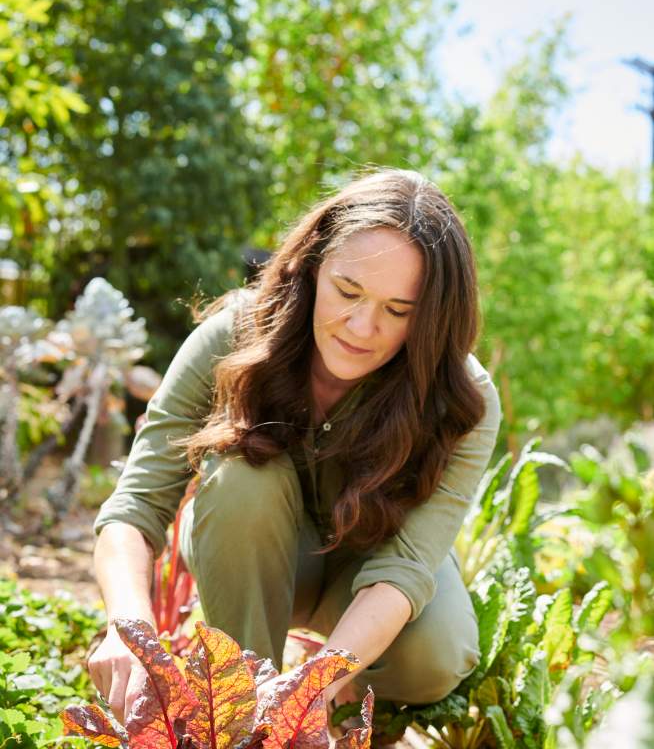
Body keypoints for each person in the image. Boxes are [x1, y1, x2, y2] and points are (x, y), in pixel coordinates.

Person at [89, 168, 501, 746]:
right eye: (348, 292)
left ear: (433, 314)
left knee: (439, 651)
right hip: (246, 548)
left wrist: (315, 685)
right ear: (312, 267)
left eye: (398, 310)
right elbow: (135, 505)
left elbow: (406, 568)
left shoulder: (465, 399)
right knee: (240, 477)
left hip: (365, 578)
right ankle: (239, 698)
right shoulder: (233, 335)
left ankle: (337, 696)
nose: (362, 327)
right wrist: (128, 630)